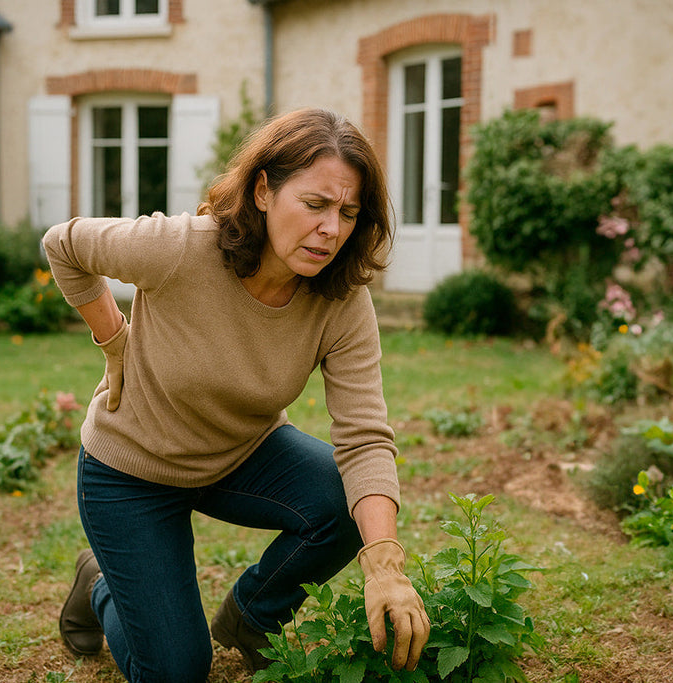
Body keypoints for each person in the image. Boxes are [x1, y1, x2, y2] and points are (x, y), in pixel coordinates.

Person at [44, 107, 429, 683]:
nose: (332, 229)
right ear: (263, 191)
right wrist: (115, 338)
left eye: (348, 212)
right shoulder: (179, 248)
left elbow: (365, 436)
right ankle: (99, 585)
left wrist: (385, 562)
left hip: (239, 456)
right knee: (176, 671)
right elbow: (63, 244)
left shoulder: (340, 299)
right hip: (131, 473)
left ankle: (252, 617)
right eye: (316, 204)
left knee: (348, 499)